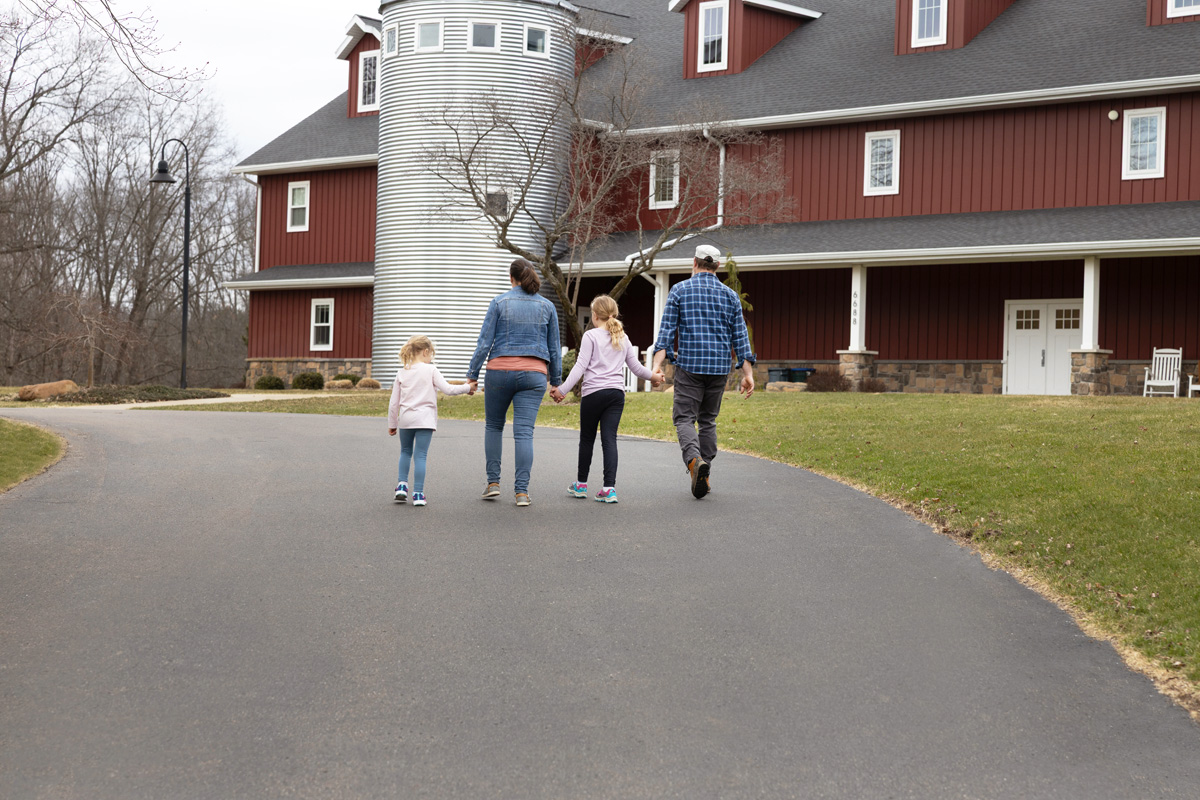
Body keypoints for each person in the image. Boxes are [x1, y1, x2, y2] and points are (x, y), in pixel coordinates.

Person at [651, 244, 756, 499]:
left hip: (690, 368)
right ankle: (703, 471)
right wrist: (748, 373)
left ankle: (694, 462)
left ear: (694, 262)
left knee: (684, 418)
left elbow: (665, 335)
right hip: (719, 369)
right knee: (708, 420)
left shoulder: (679, 291)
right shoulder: (730, 296)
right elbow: (741, 337)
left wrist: (656, 366)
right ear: (717, 267)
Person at [550, 295, 664, 503]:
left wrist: (562, 390)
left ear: (595, 315)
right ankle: (609, 488)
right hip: (615, 395)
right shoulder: (623, 337)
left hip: (593, 393)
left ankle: (581, 485)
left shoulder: (591, 336)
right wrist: (655, 377)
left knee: (587, 439)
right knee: (609, 439)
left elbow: (580, 367)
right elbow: (637, 368)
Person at [467, 258, 563, 507]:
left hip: (499, 372)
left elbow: (484, 343)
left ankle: (493, 484)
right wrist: (556, 381)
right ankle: (521, 492)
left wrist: (473, 374)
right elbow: (554, 348)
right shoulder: (547, 306)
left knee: (494, 426)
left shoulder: (499, 302)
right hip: (534, 374)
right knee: (524, 434)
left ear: (512, 278)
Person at [387, 335, 475, 507]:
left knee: (405, 451)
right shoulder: (431, 370)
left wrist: (392, 423)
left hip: (405, 419)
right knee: (421, 456)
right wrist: (468, 388)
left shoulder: (402, 371)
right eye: (431, 354)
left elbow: (393, 403)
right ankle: (418, 494)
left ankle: (401, 486)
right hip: (425, 420)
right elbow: (448, 389)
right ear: (426, 351)